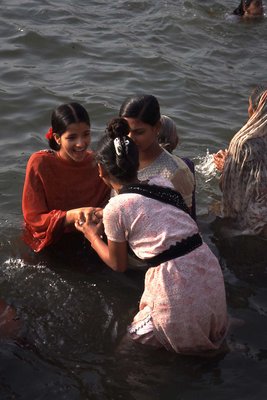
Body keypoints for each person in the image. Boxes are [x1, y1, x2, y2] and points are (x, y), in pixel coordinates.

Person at [75, 117, 228, 355]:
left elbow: (118, 264)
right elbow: (148, 211)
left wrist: (91, 235)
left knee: (127, 350)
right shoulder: (161, 183)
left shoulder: (117, 207)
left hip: (175, 282)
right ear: (137, 162)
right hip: (206, 268)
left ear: (100, 170)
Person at [22, 102, 110, 252]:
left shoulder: (98, 162)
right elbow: (34, 219)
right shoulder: (40, 163)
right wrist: (70, 216)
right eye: (72, 137)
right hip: (47, 240)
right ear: (57, 138)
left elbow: (108, 202)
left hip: (89, 237)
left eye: (86, 134)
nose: (81, 143)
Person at [119, 95, 195, 214]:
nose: (130, 138)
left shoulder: (175, 172)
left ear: (157, 127)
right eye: (125, 130)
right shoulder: (118, 157)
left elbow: (184, 223)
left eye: (139, 132)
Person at [214, 88, 267, 236]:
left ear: (256, 110)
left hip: (252, 228)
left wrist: (227, 169)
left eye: (249, 105)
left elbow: (231, 190)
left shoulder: (245, 143)